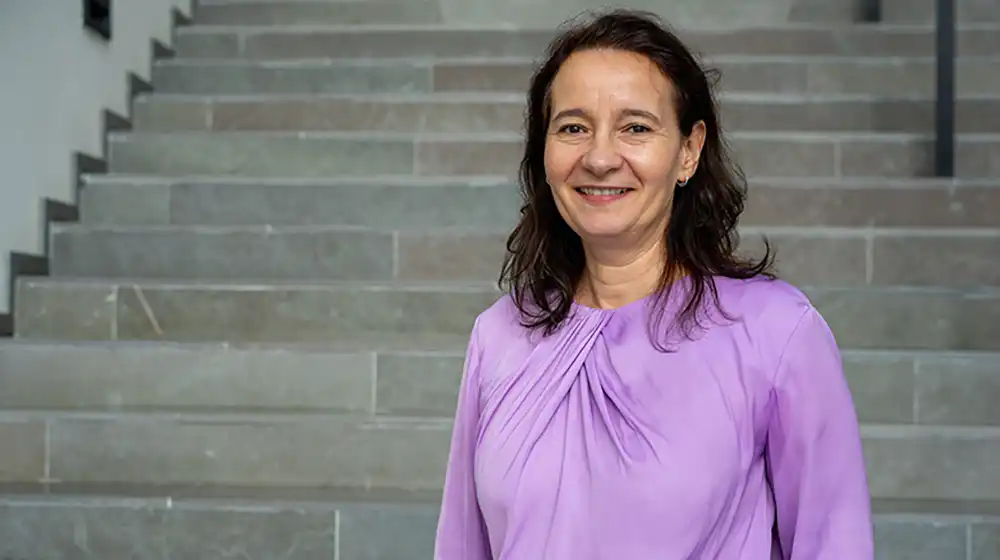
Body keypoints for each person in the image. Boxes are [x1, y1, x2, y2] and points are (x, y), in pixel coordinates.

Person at [433, 9, 874, 559]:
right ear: (543, 151)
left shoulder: (775, 332)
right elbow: (462, 546)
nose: (598, 157)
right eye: (573, 127)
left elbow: (834, 542)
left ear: (689, 150)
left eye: (635, 127)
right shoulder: (499, 335)